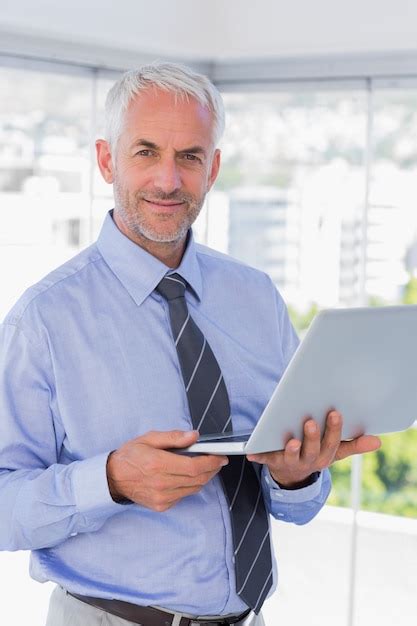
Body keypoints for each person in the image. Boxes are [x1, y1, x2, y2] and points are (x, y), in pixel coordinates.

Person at [0, 63, 380, 626]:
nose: (168, 181)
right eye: (146, 152)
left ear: (214, 167)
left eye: (190, 157)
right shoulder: (44, 319)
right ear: (107, 160)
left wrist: (296, 474)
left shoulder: (256, 298)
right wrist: (110, 481)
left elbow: (294, 500)